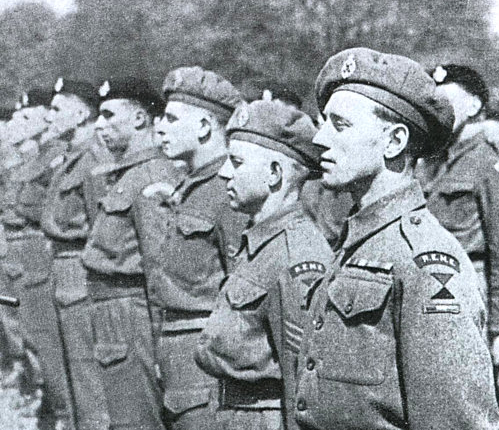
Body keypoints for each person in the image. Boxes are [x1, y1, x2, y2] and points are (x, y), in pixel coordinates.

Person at [294, 48, 499, 430]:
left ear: (394, 142)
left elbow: (455, 421)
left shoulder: (424, 258)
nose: (320, 138)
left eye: (339, 124)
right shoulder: (360, 241)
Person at [194, 100, 332, 430]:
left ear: (274, 174)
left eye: (237, 162)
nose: (225, 172)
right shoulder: (262, 242)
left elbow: (303, 381)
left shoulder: (297, 255)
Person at [133, 66, 244, 430]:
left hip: (208, 368)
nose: (160, 126)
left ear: (204, 127)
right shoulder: (192, 186)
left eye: (171, 118)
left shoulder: (228, 192)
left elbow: (242, 291)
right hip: (181, 358)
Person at [81, 77, 183, 430]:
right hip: (116, 317)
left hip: (133, 319)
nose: (99, 124)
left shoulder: (152, 175)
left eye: (109, 115)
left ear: (140, 119)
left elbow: (161, 269)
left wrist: (161, 349)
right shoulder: (127, 175)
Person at [418, 66, 499, 370]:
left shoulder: (489, 162)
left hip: (470, 289)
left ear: (473, 107)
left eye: (447, 101)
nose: (438, 110)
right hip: (427, 284)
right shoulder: (432, 159)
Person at [40, 77, 111, 430]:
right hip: (65, 272)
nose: (49, 116)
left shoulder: (93, 159)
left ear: (82, 113)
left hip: (82, 276)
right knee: (73, 373)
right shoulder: (70, 158)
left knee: (88, 379)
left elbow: (102, 229)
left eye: (57, 108)